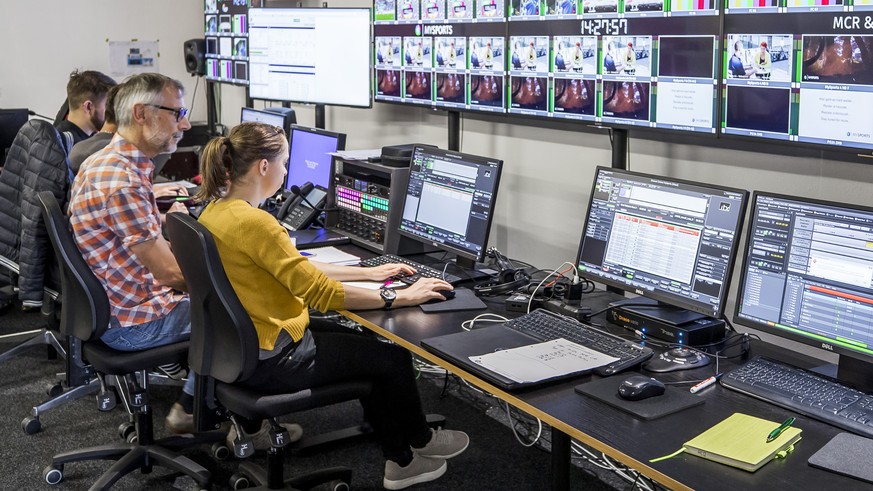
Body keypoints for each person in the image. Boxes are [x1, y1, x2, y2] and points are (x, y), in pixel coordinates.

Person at [195, 122, 470, 490]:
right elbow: (319, 293)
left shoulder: (217, 211)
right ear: (263, 166)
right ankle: (409, 454)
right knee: (392, 359)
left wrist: (369, 273)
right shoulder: (256, 223)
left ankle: (405, 449)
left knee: (373, 350)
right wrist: (399, 295)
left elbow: (289, 264)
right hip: (274, 357)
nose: (286, 171)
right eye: (284, 162)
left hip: (243, 347)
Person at [67, 73, 208, 435]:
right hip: (133, 324)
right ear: (141, 113)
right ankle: (197, 410)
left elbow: (126, 233)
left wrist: (166, 222)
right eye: (177, 113)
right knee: (243, 308)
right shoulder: (124, 182)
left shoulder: (106, 162)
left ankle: (201, 401)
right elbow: (172, 275)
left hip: (111, 311)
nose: (186, 124)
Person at [55, 70, 117, 146]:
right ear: (88, 107)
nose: (112, 110)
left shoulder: (85, 138)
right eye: (108, 104)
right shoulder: (69, 147)